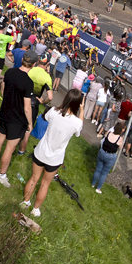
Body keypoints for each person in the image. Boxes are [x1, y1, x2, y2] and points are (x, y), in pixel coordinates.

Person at [20, 89, 84, 217]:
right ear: (78, 104)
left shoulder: (53, 111)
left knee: (34, 178)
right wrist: (81, 111)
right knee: (45, 184)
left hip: (41, 152)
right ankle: (35, 209)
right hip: (55, 159)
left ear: (66, 99)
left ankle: (25, 202)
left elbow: (47, 117)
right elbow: (79, 129)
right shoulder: (77, 122)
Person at [0, 52, 35, 187]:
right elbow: (27, 107)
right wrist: (30, 123)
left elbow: (3, 89)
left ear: (22, 60)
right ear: (33, 65)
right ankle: (2, 175)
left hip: (5, 112)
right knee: (9, 148)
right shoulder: (28, 82)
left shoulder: (9, 72)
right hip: (17, 119)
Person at [91, 122, 124, 193]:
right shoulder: (120, 139)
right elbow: (121, 147)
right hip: (110, 156)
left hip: (102, 152)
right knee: (104, 173)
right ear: (121, 130)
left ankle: (92, 184)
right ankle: (98, 188)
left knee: (97, 170)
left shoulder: (109, 133)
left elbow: (105, 139)